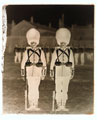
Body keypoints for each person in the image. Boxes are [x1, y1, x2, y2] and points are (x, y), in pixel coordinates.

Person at [21, 28, 46, 111]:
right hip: (29, 73)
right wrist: (23, 73)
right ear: (30, 43)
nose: (33, 44)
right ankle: (31, 104)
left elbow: (44, 63)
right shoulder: (27, 52)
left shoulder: (40, 52)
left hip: (38, 73)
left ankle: (35, 104)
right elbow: (23, 63)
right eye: (32, 43)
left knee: (36, 88)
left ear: (37, 43)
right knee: (31, 88)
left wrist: (43, 74)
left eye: (34, 43)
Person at [50, 28, 74, 111]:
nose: (63, 44)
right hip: (58, 73)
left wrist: (72, 72)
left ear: (67, 43)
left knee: (65, 89)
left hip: (67, 73)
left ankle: (63, 104)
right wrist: (51, 71)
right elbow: (52, 62)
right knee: (58, 89)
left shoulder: (69, 51)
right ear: (59, 43)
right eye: (61, 43)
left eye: (64, 43)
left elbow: (72, 62)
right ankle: (58, 104)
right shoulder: (56, 51)